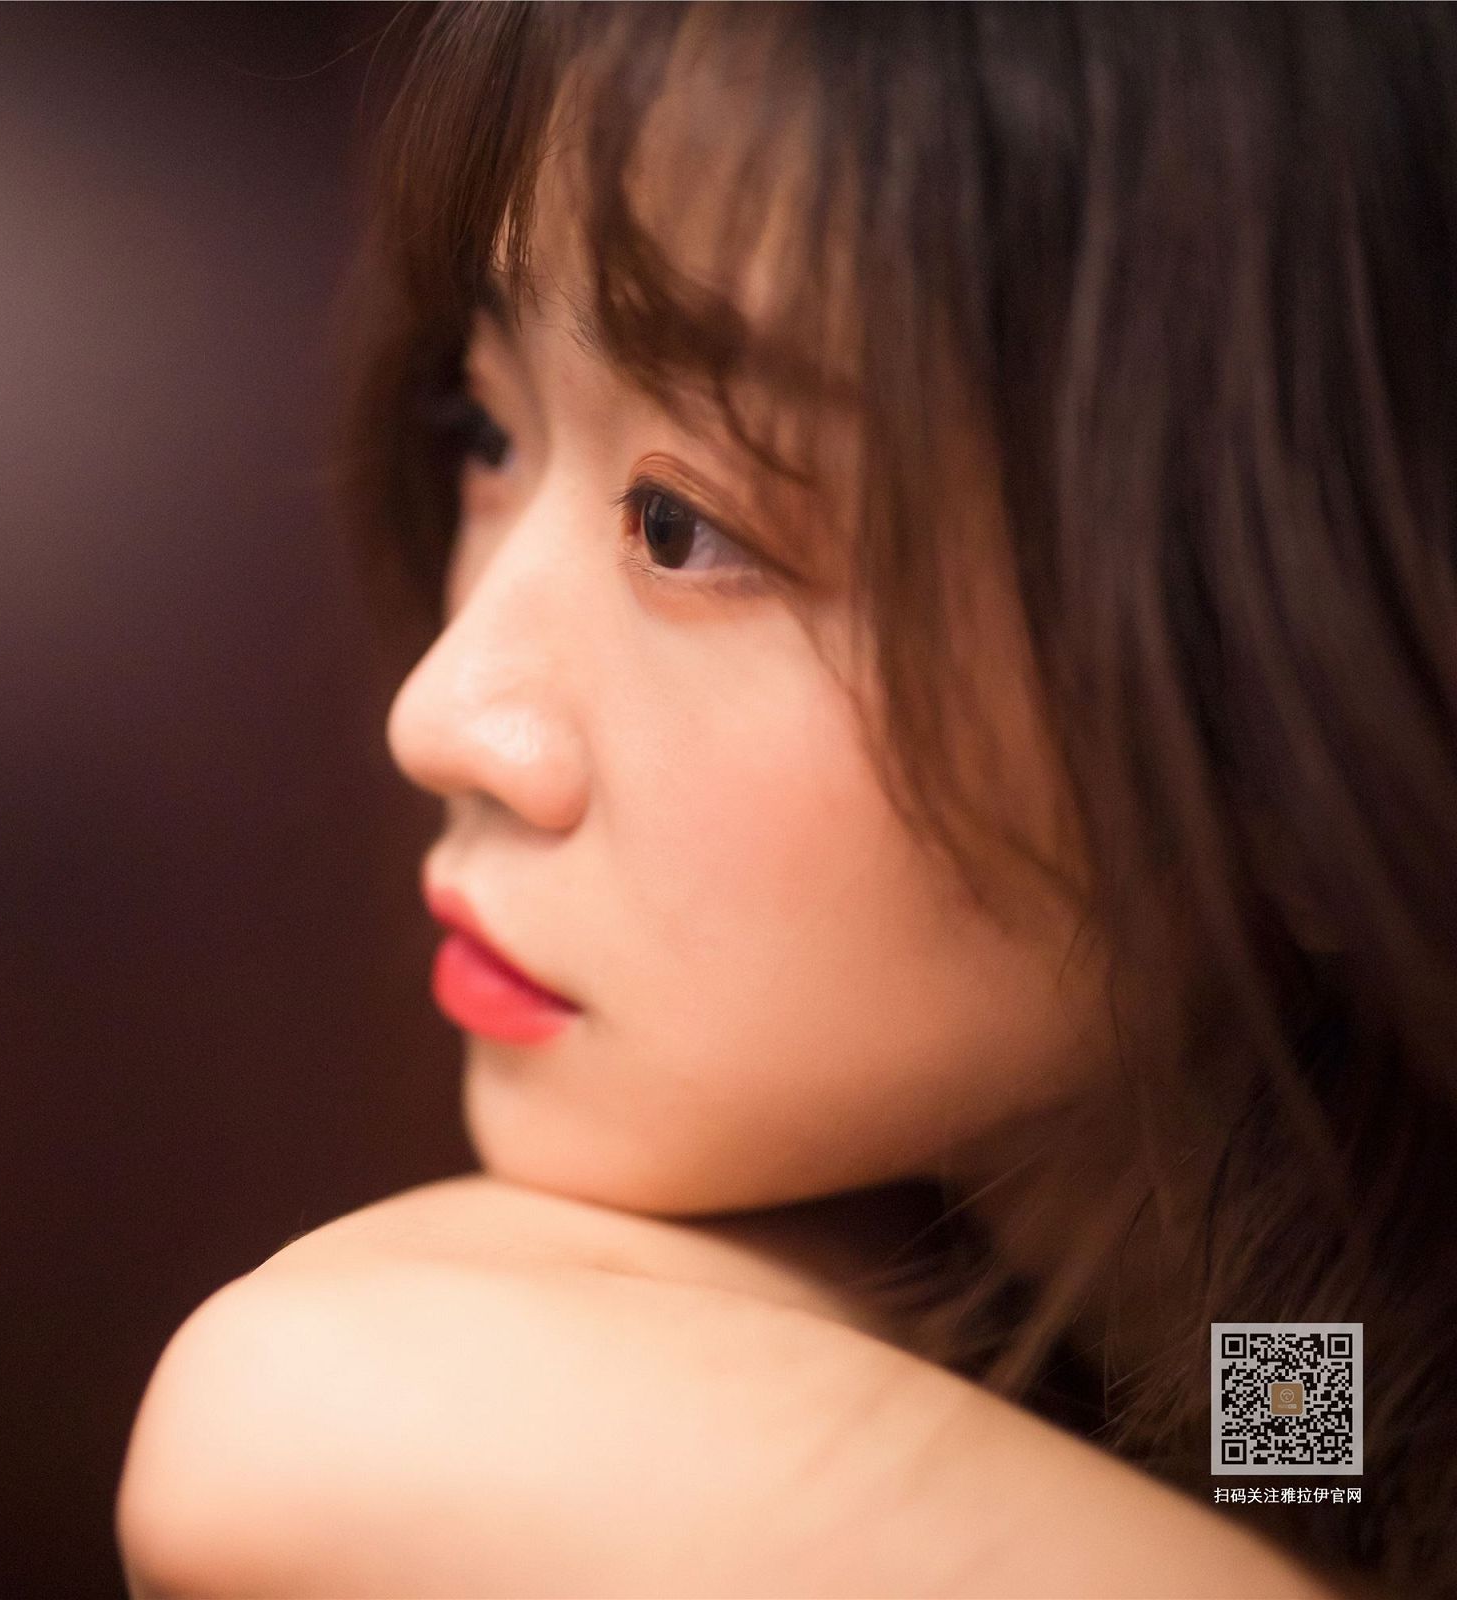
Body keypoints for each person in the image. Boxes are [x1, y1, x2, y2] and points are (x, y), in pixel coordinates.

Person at [116, 5, 1457, 1595]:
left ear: (1294, 732)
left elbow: (305, 1406)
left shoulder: (1300, 1386)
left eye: (684, 527)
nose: (442, 715)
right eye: (488, 433)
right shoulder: (1237, 1364)